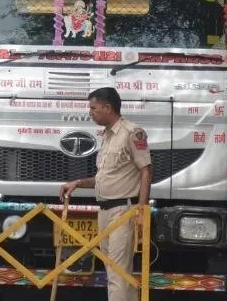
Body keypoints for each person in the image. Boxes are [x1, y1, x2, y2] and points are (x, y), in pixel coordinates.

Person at [60, 87, 151, 301]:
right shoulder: (107, 136)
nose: (90, 113)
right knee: (116, 271)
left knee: (117, 272)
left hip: (123, 211)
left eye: (94, 108)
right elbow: (104, 178)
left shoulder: (132, 132)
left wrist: (141, 209)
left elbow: (146, 170)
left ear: (107, 108)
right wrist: (78, 183)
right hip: (104, 210)